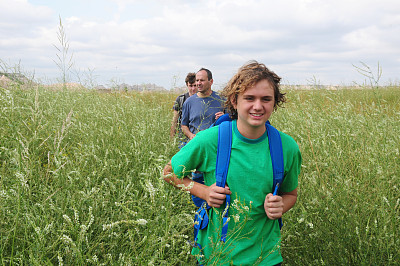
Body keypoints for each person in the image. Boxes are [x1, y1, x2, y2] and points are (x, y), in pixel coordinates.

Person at [163, 61, 302, 265]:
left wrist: (281, 206)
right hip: (217, 255)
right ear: (234, 101)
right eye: (249, 98)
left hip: (266, 257)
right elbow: (168, 172)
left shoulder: (287, 147)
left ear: (274, 103)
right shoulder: (210, 140)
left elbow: (290, 194)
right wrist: (204, 192)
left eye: (266, 99)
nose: (258, 106)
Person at [180, 68, 225, 141]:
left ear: (211, 81)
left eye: (202, 80)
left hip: (215, 144)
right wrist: (190, 135)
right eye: (197, 80)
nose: (199, 83)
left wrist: (224, 117)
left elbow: (232, 121)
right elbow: (184, 125)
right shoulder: (189, 102)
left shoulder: (221, 99)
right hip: (196, 144)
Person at [170, 72, 197, 147]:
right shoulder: (181, 99)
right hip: (183, 139)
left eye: (195, 85)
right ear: (187, 85)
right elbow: (175, 120)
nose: (193, 89)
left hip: (197, 137)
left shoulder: (202, 99)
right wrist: (172, 139)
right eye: (190, 86)